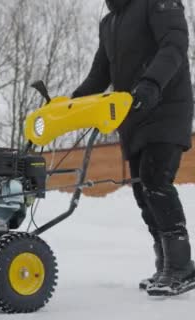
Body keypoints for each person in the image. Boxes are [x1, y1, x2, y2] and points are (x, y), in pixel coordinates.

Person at [72, 0, 195, 296]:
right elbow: (100, 74)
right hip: (134, 115)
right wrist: (70, 104)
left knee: (156, 180)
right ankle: (165, 263)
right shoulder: (110, 22)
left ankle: (181, 267)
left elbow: (174, 45)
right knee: (142, 189)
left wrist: (151, 83)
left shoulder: (158, 2)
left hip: (166, 106)